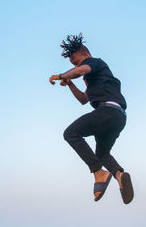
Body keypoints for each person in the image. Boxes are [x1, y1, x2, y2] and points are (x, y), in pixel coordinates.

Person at [49, 33, 134, 203]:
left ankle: (98, 173)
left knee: (71, 133)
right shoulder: (97, 78)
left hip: (107, 111)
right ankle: (119, 175)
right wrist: (70, 84)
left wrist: (61, 75)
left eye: (75, 61)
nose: (76, 65)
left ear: (86, 55)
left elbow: (80, 70)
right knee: (102, 153)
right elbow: (83, 99)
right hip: (118, 117)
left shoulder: (93, 62)